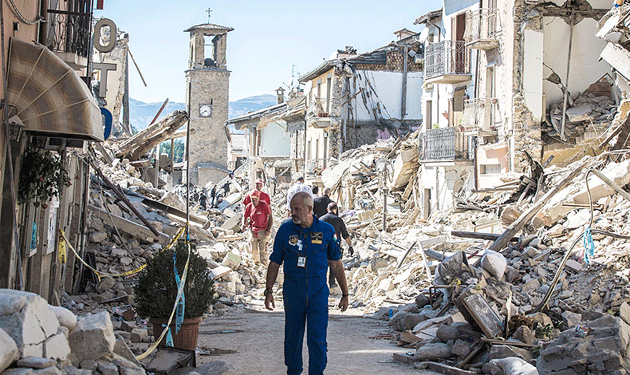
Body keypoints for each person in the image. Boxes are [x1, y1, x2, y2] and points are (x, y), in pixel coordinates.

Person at [265, 192, 349, 375]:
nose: (292, 213)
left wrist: (345, 294)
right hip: (293, 294)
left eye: (297, 209)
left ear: (310, 209)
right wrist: (268, 290)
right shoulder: (285, 230)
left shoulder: (326, 231)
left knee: (317, 339)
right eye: (291, 209)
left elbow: (336, 262)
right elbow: (275, 261)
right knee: (293, 338)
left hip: (317, 295)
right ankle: (293, 371)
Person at [319, 202, 354, 287]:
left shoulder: (321, 219)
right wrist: (350, 245)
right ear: (336, 210)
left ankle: (321, 283)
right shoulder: (339, 220)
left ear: (327, 209)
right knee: (333, 264)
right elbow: (345, 234)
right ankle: (332, 282)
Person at [242, 191, 273, 265]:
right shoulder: (249, 206)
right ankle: (256, 264)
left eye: (255, 199)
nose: (253, 201)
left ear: (258, 198)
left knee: (263, 250)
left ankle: (264, 265)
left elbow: (270, 218)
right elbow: (245, 216)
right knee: (254, 249)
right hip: (253, 231)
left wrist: (268, 230)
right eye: (252, 199)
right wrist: (244, 224)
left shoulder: (264, 205)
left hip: (263, 230)